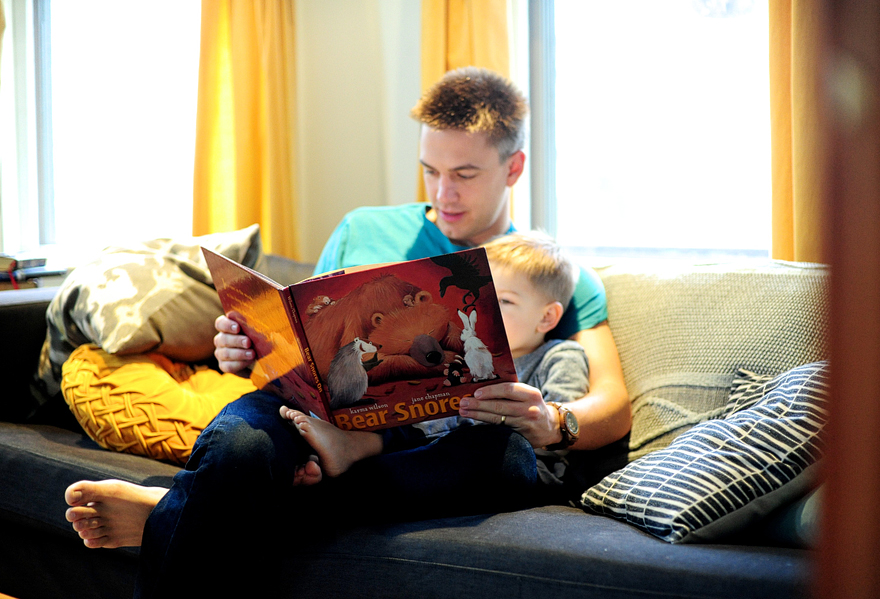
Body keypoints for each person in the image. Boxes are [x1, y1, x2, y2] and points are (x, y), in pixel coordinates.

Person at [64, 67, 631, 597]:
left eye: (464, 175)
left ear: (513, 168)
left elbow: (613, 405)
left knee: (504, 458)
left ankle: (180, 510)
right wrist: (246, 349)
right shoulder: (364, 229)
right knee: (242, 446)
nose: (443, 194)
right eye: (431, 171)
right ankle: (210, 500)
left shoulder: (548, 280)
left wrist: (552, 422)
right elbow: (304, 336)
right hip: (321, 414)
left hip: (435, 443)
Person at [280, 231, 620, 504]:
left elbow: (555, 435)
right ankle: (355, 448)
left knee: (502, 450)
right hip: (432, 447)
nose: (489, 311)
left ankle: (332, 494)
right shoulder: (457, 347)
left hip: (527, 464)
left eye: (505, 301)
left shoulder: (559, 356)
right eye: (484, 299)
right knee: (412, 430)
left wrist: (539, 418)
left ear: (548, 317)